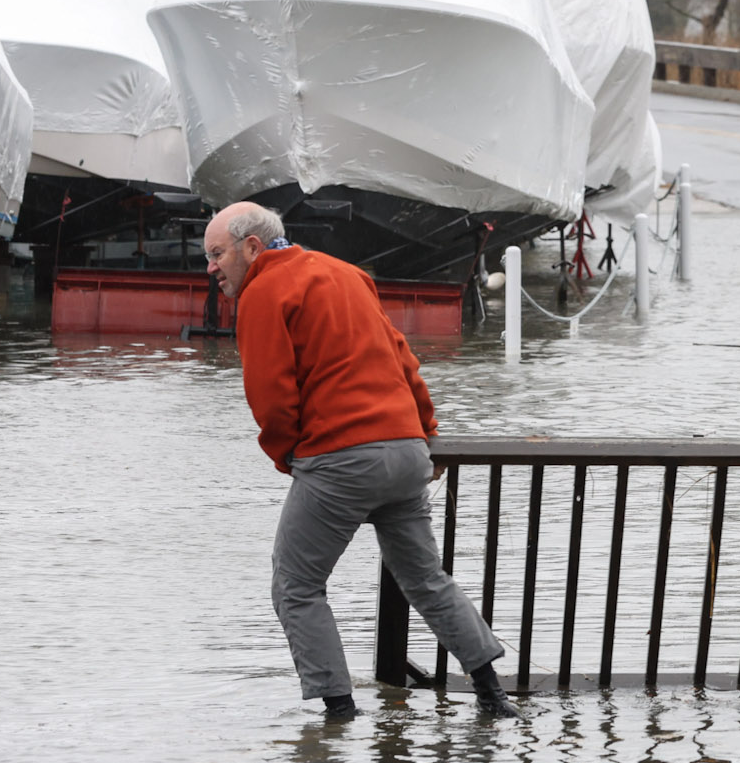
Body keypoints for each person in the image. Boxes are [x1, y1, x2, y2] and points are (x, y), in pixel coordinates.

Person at [202, 201, 519, 721]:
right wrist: (427, 434)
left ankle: (339, 712)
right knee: (425, 579)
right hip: (405, 450)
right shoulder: (346, 274)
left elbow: (271, 396)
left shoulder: (264, 291)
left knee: (296, 586)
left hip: (340, 459)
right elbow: (402, 358)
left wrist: (292, 459)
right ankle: (491, 691)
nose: (210, 267)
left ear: (252, 248)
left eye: (217, 254)